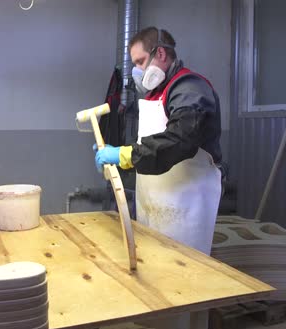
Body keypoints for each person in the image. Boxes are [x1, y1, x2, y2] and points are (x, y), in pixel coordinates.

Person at [95, 27, 222, 255]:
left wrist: (125, 155)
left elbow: (179, 139)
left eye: (141, 61)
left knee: (186, 272)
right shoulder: (155, 94)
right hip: (155, 206)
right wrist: (120, 156)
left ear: (160, 54)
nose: (137, 70)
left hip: (186, 207)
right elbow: (151, 143)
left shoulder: (190, 88)